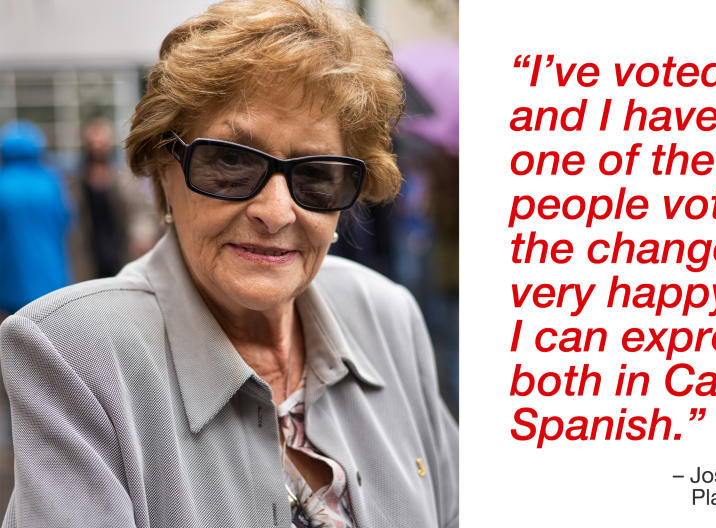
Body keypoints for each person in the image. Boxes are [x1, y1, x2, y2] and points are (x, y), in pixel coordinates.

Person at [0, 1, 458, 527]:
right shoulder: (77, 352)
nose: (276, 211)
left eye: (315, 175)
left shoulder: (387, 313)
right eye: (232, 161)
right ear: (161, 169)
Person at [68, 119, 160, 281]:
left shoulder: (123, 179)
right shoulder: (76, 182)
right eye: (93, 143)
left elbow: (139, 211)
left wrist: (142, 235)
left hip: (119, 251)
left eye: (101, 143)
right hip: (89, 254)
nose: (97, 147)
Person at [0, 120, 71, 317]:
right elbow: (65, 220)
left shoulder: (2, 184)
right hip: (50, 276)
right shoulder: (51, 182)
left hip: (9, 280)